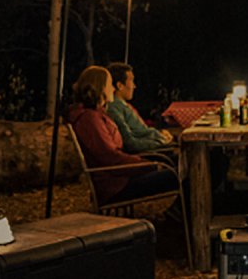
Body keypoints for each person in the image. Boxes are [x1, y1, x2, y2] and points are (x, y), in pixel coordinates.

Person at [66, 66, 178, 206]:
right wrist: (148, 165)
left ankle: (177, 214)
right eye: (110, 84)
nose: (113, 89)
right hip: (116, 185)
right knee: (184, 173)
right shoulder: (89, 119)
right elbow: (110, 156)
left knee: (182, 166)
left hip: (122, 176)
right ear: (100, 87)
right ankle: (181, 217)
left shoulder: (97, 114)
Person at [106, 62, 174, 153]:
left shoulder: (124, 106)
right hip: (148, 154)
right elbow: (130, 143)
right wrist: (161, 142)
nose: (134, 86)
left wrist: (159, 135)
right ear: (120, 86)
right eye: (131, 81)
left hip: (154, 144)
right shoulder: (114, 109)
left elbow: (141, 132)